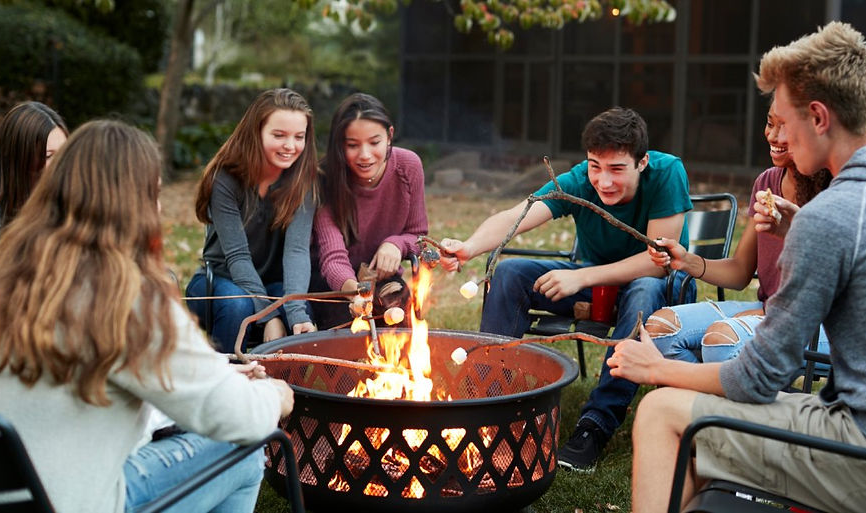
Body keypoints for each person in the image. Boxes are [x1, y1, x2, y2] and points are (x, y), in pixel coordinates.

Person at [608, 22, 866, 513]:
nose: (778, 137)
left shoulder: (833, 214)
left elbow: (758, 378)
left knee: (660, 412)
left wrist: (656, 368)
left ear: (817, 117)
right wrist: (801, 233)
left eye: (782, 121)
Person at [0, 120, 295, 513]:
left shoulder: (1, 277)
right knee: (246, 448)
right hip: (80, 502)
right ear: (134, 204)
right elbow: (235, 418)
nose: (159, 208)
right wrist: (273, 396)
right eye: (155, 194)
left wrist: (218, 372)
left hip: (1, 496)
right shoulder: (124, 298)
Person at [439, 107, 694, 471]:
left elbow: (658, 261)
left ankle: (596, 424)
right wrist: (468, 246)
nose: (603, 181)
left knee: (643, 291)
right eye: (595, 166)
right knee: (512, 273)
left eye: (617, 169)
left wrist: (581, 277)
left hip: (662, 289)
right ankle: (489, 400)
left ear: (642, 163)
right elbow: (517, 215)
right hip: (595, 286)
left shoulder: (668, 172)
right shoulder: (577, 181)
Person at [644, 99, 832, 364]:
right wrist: (686, 260)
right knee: (661, 329)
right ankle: (708, 401)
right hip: (768, 310)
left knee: (722, 340)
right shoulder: (767, 182)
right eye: (770, 123)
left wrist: (767, 316)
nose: (772, 136)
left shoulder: (836, 190)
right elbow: (740, 271)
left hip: (821, 325)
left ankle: (721, 400)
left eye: (785, 127)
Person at [186, 88, 319, 352]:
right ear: (256, 132)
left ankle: (285, 389)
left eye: (298, 137)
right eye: (278, 135)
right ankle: (225, 381)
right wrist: (268, 316)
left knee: (301, 307)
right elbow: (237, 257)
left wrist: (295, 314)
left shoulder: (304, 181)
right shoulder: (225, 180)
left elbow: (296, 251)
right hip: (219, 282)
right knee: (240, 306)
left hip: (272, 285)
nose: (290, 146)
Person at [310, 93, 428, 329]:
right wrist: (358, 294)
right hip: (334, 285)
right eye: (352, 145)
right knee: (348, 334)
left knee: (398, 308)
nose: (365, 155)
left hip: (383, 277)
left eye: (374, 143)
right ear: (339, 144)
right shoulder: (324, 179)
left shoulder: (408, 166)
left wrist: (396, 243)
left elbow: (419, 235)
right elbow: (332, 257)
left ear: (389, 136)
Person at [0, 101, 67, 261]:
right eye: (48, 155)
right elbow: (2, 280)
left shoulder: (67, 204)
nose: (59, 164)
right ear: (19, 159)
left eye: (63, 154)